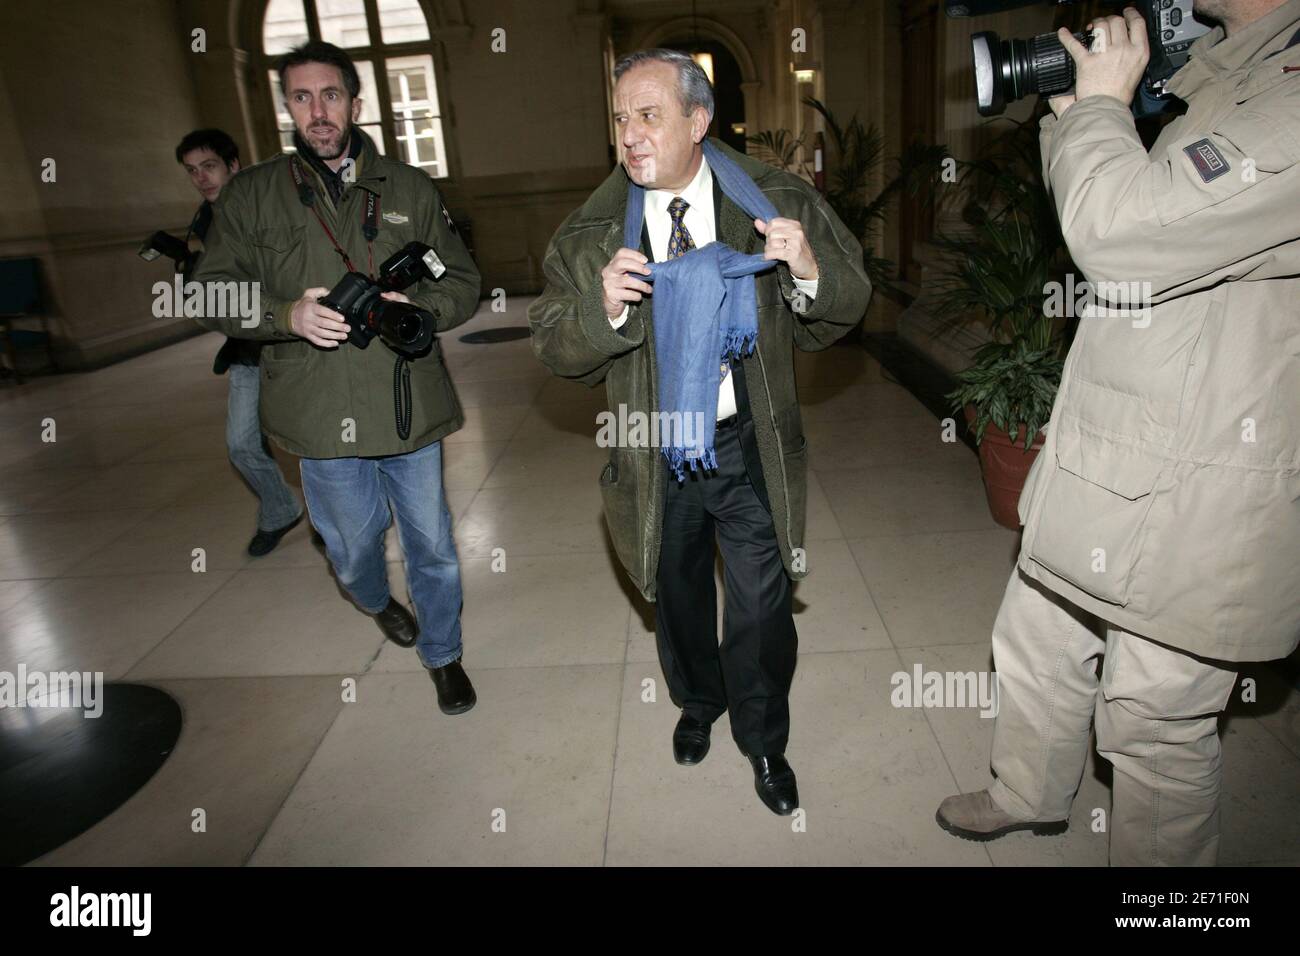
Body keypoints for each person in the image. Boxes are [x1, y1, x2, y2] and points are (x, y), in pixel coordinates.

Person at [937, 0, 1300, 864]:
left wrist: (1101, 106)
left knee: (1153, 715)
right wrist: (1077, 115)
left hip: (1210, 479)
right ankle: (1028, 794)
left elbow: (1122, 239)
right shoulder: (1221, 79)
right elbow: (1130, 213)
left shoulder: (1287, 99)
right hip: (1121, 448)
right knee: (1038, 638)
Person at [529, 49, 872, 814]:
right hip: (654, 448)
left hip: (747, 440)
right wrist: (605, 312)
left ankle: (763, 739)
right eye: (620, 119)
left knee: (760, 604)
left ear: (699, 119)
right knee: (677, 593)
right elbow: (553, 344)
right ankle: (698, 703)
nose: (631, 137)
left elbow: (846, 307)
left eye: (649, 116)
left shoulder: (774, 202)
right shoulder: (592, 233)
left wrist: (809, 269)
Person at [192, 41, 482, 714]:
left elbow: (464, 282)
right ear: (287, 107)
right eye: (302, 97)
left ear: (356, 103)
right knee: (351, 550)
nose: (318, 111)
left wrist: (426, 308)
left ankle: (444, 653)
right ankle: (376, 600)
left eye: (331, 96)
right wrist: (283, 313)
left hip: (409, 400)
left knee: (432, 545)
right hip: (317, 408)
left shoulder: (409, 188)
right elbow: (209, 292)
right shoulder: (251, 196)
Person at [176, 128, 304, 556]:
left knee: (314, 440)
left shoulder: (268, 207)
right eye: (192, 171)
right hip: (246, 349)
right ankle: (280, 509)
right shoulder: (204, 218)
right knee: (241, 443)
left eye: (209, 166)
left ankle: (333, 516)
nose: (202, 178)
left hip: (291, 342)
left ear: (234, 165)